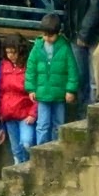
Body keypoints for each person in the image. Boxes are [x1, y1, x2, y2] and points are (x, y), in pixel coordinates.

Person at [25, 13, 77, 143]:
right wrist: (31, 88)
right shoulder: (37, 47)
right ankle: (41, 149)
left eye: (51, 35)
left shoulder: (65, 47)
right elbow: (30, 69)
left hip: (59, 94)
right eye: (45, 35)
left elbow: (72, 69)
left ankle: (56, 147)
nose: (47, 38)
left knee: (58, 124)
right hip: (42, 94)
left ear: (58, 33)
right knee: (42, 125)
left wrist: (70, 90)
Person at [0, 34, 37, 164]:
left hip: (26, 114)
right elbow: (1, 92)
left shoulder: (29, 66)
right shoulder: (3, 66)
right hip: (9, 115)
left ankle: (28, 167)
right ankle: (19, 170)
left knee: (27, 143)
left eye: (14, 52)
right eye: (8, 52)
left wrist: (33, 113)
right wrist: (1, 116)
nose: (11, 55)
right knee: (16, 150)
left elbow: (37, 92)